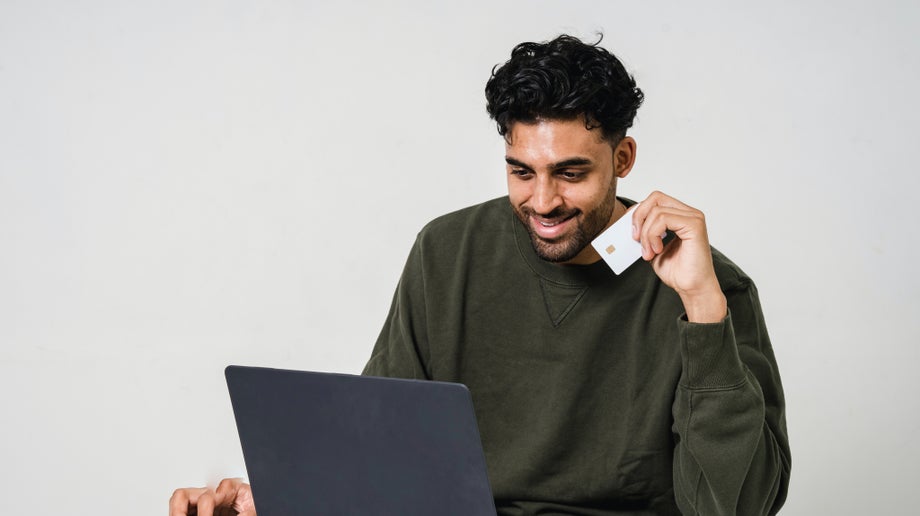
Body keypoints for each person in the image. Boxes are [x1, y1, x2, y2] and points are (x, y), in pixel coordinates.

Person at [170, 34, 791, 516]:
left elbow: (736, 506)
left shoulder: (709, 286)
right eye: (521, 171)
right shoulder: (449, 252)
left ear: (622, 159)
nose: (543, 202)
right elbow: (379, 453)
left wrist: (703, 308)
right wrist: (277, 498)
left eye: (571, 173)